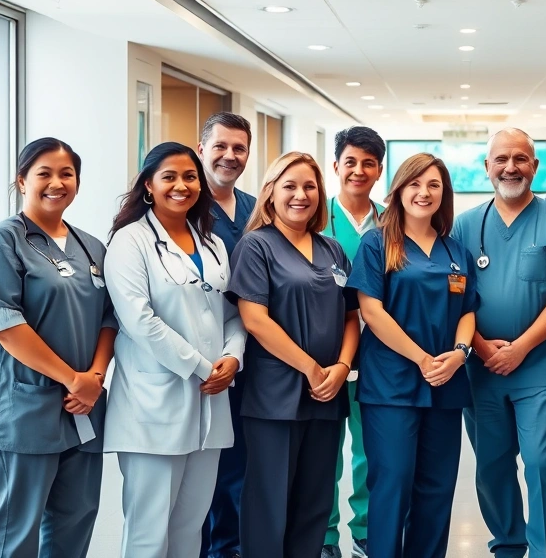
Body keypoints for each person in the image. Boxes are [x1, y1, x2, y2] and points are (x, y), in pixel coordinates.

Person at [452, 128, 546, 558]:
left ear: (535, 166)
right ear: (487, 167)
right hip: (482, 368)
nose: (510, 167)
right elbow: (454, 295)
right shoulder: (464, 224)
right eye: (501, 159)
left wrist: (521, 348)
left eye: (520, 158)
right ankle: (508, 546)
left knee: (540, 463)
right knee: (492, 465)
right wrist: (479, 345)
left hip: (542, 367)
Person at [0, 138, 115, 558]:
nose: (57, 183)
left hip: (82, 409)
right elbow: (4, 324)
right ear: (21, 181)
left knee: (77, 520)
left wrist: (94, 379)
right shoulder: (3, 240)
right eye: (44, 174)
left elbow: (109, 317)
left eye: (66, 174)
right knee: (18, 529)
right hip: (26, 407)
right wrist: (73, 378)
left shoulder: (92, 246)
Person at [105, 142, 246, 558]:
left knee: (190, 528)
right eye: (169, 176)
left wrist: (233, 358)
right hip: (154, 407)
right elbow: (140, 321)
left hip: (210, 403)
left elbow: (232, 314)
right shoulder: (129, 242)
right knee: (149, 534)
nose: (181, 185)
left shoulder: (213, 244)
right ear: (148, 185)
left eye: (190, 177)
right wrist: (205, 368)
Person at [227, 151, 358, 557]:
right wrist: (311, 368)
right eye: (290, 186)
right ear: (270, 193)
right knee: (269, 502)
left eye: (309, 186)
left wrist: (340, 367)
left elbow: (352, 316)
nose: (300, 195)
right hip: (275, 396)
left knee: (315, 502)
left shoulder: (332, 249)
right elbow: (255, 320)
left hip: (326, 394)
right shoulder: (256, 246)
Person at [348, 153, 478, 558]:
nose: (424, 193)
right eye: (415, 184)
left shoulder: (455, 250)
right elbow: (371, 311)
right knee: (393, 483)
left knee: (437, 486)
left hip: (446, 382)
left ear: (445, 194)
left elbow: (469, 310)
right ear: (399, 190)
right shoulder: (377, 243)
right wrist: (422, 359)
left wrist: (459, 354)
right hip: (393, 385)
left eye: (434, 185)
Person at [321, 126, 387, 558]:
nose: (358, 171)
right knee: (325, 454)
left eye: (368, 163)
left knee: (370, 453)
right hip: (325, 357)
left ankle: (365, 530)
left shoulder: (392, 221)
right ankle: (324, 537)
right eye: (351, 162)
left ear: (379, 170)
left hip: (379, 359)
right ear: (336, 166)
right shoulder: (313, 217)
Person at [198, 112, 256, 558]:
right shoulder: (180, 208)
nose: (229, 156)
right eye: (220, 146)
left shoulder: (257, 209)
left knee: (239, 467)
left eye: (239, 148)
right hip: (200, 359)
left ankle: (229, 549)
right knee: (199, 474)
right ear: (202, 149)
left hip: (251, 357)